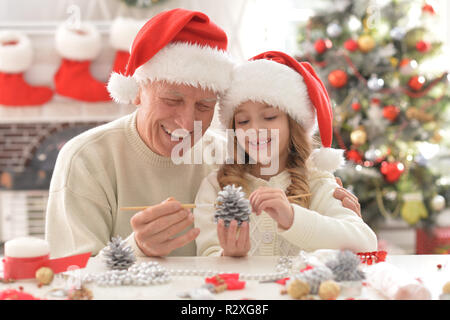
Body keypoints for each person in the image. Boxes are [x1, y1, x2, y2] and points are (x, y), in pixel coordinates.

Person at [45, 9, 364, 258]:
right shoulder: (85, 159)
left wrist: (338, 221)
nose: (186, 123)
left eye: (204, 105)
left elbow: (341, 229)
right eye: (172, 99)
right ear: (138, 91)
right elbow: (72, 280)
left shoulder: (233, 158)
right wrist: (137, 249)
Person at [194, 51, 378, 257]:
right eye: (243, 121)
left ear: (293, 124)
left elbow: (366, 242)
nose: (255, 129)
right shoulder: (215, 187)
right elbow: (206, 254)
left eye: (270, 116)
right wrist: (227, 257)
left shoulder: (316, 182)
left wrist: (292, 218)